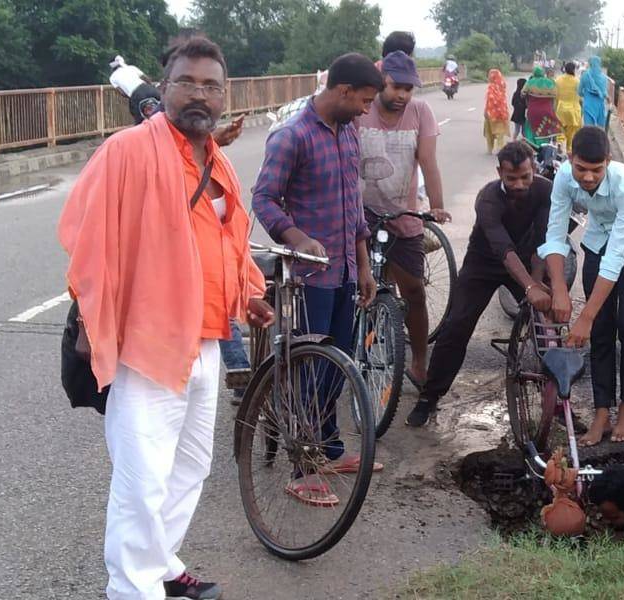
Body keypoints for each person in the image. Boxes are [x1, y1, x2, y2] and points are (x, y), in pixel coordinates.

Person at [59, 36, 274, 600]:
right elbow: (87, 241)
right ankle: (132, 588)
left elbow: (228, 238)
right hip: (146, 342)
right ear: (163, 87)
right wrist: (89, 322)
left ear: (225, 95)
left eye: (210, 85)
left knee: (188, 471)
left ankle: (159, 568)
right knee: (142, 481)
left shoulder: (216, 157)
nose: (198, 94)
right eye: (186, 82)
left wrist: (248, 291)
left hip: (206, 341)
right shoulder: (127, 151)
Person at [252, 53, 385, 506]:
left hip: (346, 271)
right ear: (342, 91)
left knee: (339, 366)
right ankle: (302, 469)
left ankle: (328, 450)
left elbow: (355, 208)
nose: (368, 109)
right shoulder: (291, 137)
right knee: (309, 371)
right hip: (307, 279)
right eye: (364, 100)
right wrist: (297, 237)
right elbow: (265, 199)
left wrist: (363, 266)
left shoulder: (349, 133)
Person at [406, 141, 554, 426]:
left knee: (546, 322)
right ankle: (429, 397)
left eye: (525, 176)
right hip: (483, 263)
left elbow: (545, 240)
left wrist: (537, 282)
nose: (520, 184)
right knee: (456, 327)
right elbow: (502, 249)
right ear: (499, 172)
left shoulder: (546, 190)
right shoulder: (488, 199)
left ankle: (557, 401)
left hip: (526, 258)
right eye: (511, 179)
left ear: (533, 168)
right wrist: (529, 287)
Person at [540, 126, 624, 446]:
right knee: (602, 330)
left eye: (596, 170)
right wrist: (562, 290)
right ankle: (601, 413)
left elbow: (617, 257)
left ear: (608, 161)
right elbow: (554, 236)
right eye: (581, 169)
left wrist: (585, 316)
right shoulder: (564, 178)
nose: (588, 177)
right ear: (570, 159)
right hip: (596, 242)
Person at [355, 50, 449, 388]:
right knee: (349, 288)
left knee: (414, 292)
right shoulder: (361, 110)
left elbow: (428, 161)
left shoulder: (420, 112)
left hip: (402, 214)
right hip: (358, 215)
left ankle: (420, 362)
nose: (402, 95)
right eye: (396, 87)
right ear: (382, 82)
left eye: (409, 89)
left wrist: (436, 206)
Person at [522, 67, 559, 143]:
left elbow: (522, 94)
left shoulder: (530, 82)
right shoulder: (551, 82)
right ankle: (544, 147)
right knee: (545, 129)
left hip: (533, 111)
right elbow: (556, 96)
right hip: (547, 111)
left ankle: (533, 147)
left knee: (531, 129)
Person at [553, 62, 583, 153]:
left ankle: (559, 143)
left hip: (561, 109)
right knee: (571, 133)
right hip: (573, 110)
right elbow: (581, 97)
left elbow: (556, 96)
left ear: (564, 69)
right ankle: (569, 149)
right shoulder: (577, 81)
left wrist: (554, 110)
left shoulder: (558, 80)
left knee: (561, 129)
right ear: (574, 70)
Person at [483, 69, 511, 153]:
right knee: (500, 133)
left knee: (489, 132)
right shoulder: (502, 85)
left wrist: (485, 111)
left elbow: (489, 100)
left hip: (491, 113)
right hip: (502, 112)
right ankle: (500, 148)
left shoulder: (491, 87)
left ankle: (489, 149)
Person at [578, 56, 609, 128]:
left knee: (589, 129)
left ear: (590, 64)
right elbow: (604, 93)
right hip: (599, 107)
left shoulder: (585, 75)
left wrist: (586, 94)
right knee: (599, 129)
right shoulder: (604, 78)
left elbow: (579, 91)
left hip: (588, 105)